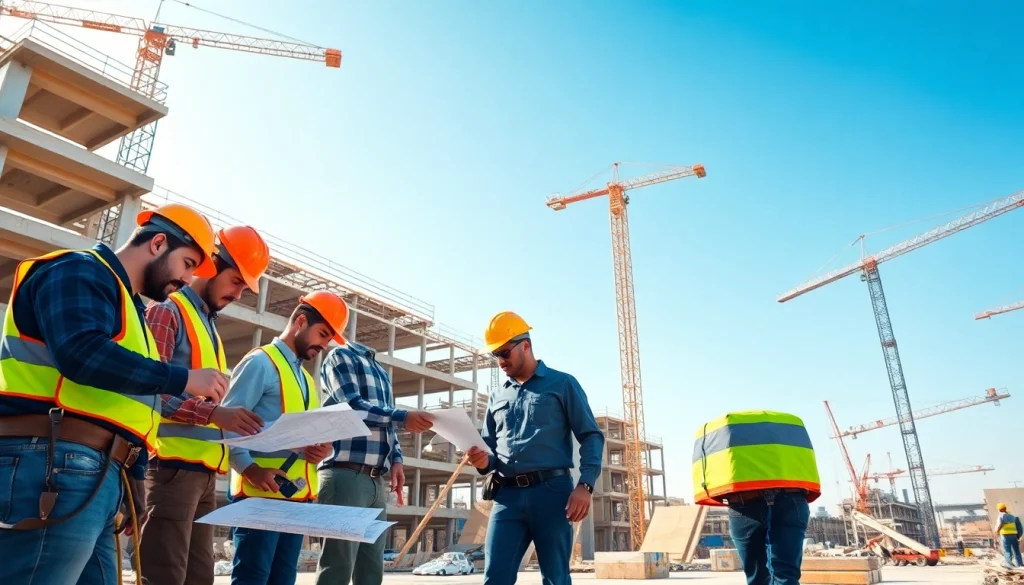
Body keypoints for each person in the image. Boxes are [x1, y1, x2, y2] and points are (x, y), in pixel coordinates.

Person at [0, 202, 230, 585]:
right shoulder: (77, 269)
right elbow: (81, 354)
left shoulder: (132, 311)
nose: (189, 280)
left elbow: (133, 404)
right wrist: (184, 378)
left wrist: (134, 477)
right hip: (54, 459)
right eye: (188, 263)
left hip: (99, 470)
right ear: (158, 243)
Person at [139, 225, 272, 585]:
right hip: (171, 469)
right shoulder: (168, 310)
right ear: (211, 265)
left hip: (203, 473)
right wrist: (215, 413)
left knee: (200, 578)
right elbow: (151, 388)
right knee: (165, 576)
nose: (238, 293)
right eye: (235, 281)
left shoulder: (207, 325)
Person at [465, 311, 604, 585]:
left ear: (525, 345)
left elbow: (591, 436)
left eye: (505, 352)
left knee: (555, 578)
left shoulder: (562, 384)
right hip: (507, 496)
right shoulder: (497, 395)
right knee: (494, 578)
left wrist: (585, 485)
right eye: (496, 355)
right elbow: (490, 449)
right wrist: (482, 462)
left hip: (552, 494)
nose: (500, 361)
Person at [221, 291, 350, 585]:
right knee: (253, 578)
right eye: (322, 334)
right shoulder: (260, 363)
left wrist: (317, 450)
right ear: (300, 322)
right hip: (259, 495)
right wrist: (249, 468)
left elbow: (298, 434)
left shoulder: (306, 379)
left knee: (283, 580)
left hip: (296, 498)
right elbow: (227, 423)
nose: (324, 344)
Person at [314, 339, 435, 585]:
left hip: (375, 481)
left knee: (371, 569)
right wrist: (402, 417)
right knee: (338, 566)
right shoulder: (341, 356)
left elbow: (387, 424)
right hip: (345, 473)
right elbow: (351, 407)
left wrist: (396, 459)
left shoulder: (381, 371)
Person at [692, 410, 821, 585]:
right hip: (791, 498)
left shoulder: (719, 432)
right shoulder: (792, 428)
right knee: (786, 576)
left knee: (757, 577)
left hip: (745, 502)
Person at [993, 502, 1022, 568]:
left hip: (1005, 535)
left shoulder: (1001, 515)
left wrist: (997, 532)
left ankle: (1009, 565)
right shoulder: (1012, 516)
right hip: (1014, 535)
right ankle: (1020, 565)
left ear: (999, 510)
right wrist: (1018, 536)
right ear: (1005, 508)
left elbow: (1000, 524)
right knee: (1016, 550)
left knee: (1007, 550)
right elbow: (1019, 527)